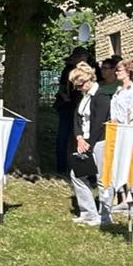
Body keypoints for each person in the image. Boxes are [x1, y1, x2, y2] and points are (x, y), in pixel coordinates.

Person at [67, 62, 111, 227]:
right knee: (77, 174)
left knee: (103, 179)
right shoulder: (84, 97)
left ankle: (105, 216)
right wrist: (79, 137)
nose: (78, 89)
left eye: (80, 85)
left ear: (89, 80)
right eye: (76, 86)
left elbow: (99, 123)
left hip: (99, 141)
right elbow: (77, 118)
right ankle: (88, 213)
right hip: (84, 141)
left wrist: (89, 143)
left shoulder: (101, 96)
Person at [103, 59, 133, 218]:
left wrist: (121, 119)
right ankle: (123, 197)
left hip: (131, 128)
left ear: (129, 72)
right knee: (119, 161)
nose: (116, 72)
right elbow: (114, 108)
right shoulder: (118, 90)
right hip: (118, 129)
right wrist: (114, 120)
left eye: (119, 70)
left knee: (131, 161)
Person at [54, 48, 86, 177]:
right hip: (68, 106)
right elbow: (62, 87)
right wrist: (65, 97)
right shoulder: (68, 70)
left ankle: (81, 168)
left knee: (81, 137)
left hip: (81, 106)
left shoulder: (88, 70)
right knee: (64, 137)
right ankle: (62, 168)